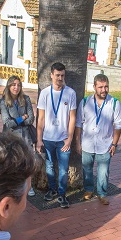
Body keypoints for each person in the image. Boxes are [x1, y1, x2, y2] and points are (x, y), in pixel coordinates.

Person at [76, 74, 121, 205]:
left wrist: (114, 144)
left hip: (105, 144)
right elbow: (79, 123)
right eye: (100, 87)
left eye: (106, 86)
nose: (104, 90)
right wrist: (77, 143)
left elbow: (118, 125)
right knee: (87, 169)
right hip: (87, 144)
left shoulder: (114, 103)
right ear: (94, 87)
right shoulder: (85, 102)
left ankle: (102, 194)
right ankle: (89, 190)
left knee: (103, 172)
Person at [36, 62, 77, 209]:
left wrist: (70, 138)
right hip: (47, 139)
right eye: (57, 75)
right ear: (51, 75)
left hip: (63, 140)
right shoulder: (45, 93)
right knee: (49, 166)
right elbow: (40, 118)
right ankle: (52, 190)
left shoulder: (70, 93)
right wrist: (39, 139)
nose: (60, 78)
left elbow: (73, 118)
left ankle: (62, 194)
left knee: (64, 169)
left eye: (62, 75)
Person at [0, 75, 36, 196]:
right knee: (13, 162)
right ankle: (13, 187)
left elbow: (31, 119)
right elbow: (7, 122)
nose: (16, 87)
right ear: (9, 86)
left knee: (28, 162)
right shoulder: (3, 101)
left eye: (19, 85)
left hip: (26, 136)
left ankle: (29, 187)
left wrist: (19, 121)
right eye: (14, 85)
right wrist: (22, 118)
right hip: (11, 137)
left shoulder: (25, 99)